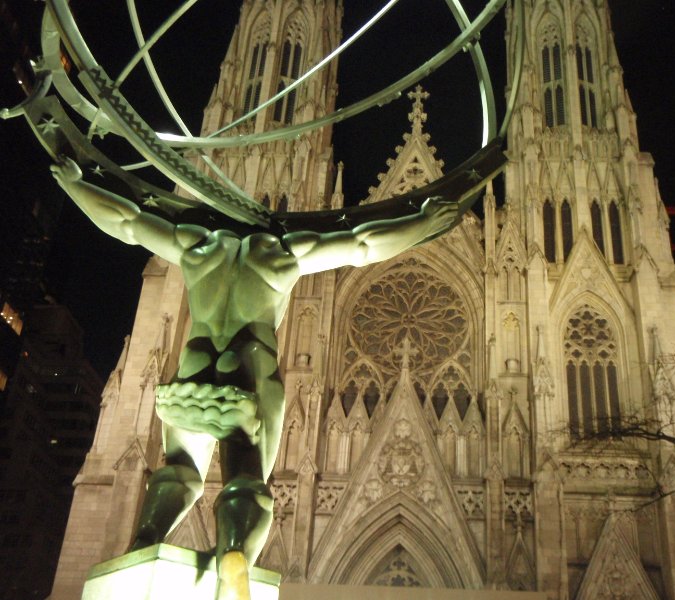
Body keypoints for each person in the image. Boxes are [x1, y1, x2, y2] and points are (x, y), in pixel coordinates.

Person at [50, 157, 459, 600]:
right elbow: (363, 245)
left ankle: (146, 541)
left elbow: (127, 221)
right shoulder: (280, 252)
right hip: (244, 372)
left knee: (180, 470)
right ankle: (236, 552)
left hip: (193, 371)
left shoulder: (196, 242)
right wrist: (424, 224)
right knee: (247, 480)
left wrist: (77, 185)